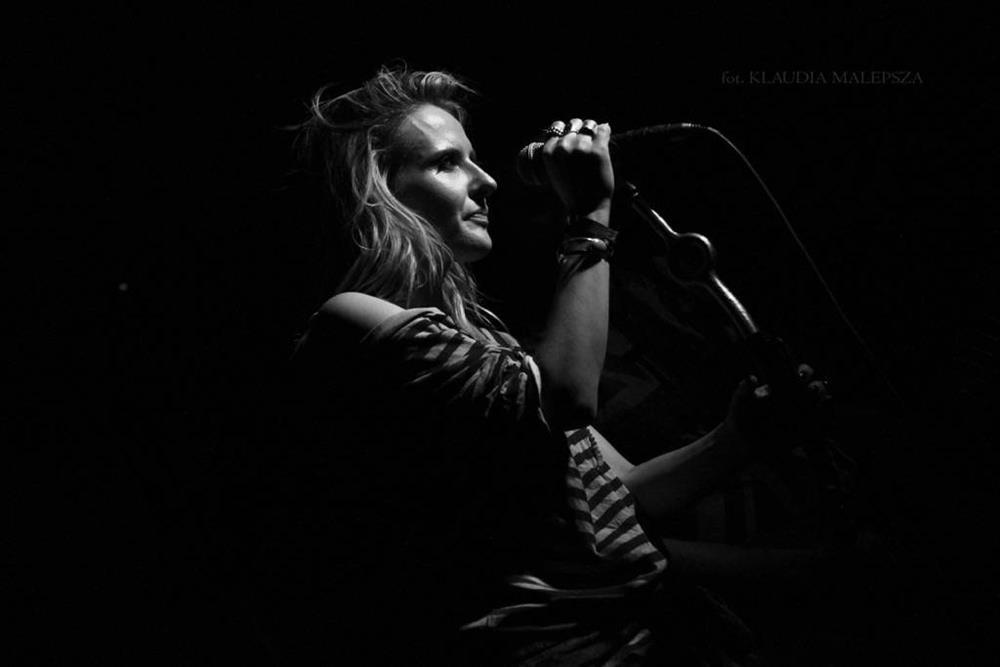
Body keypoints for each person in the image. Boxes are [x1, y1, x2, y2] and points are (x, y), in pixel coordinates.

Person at [275, 65, 830, 665]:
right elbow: (567, 396)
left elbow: (621, 492)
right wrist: (590, 218)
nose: (487, 181)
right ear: (376, 194)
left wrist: (737, 438)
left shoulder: (486, 340)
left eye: (474, 159)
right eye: (446, 163)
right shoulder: (354, 321)